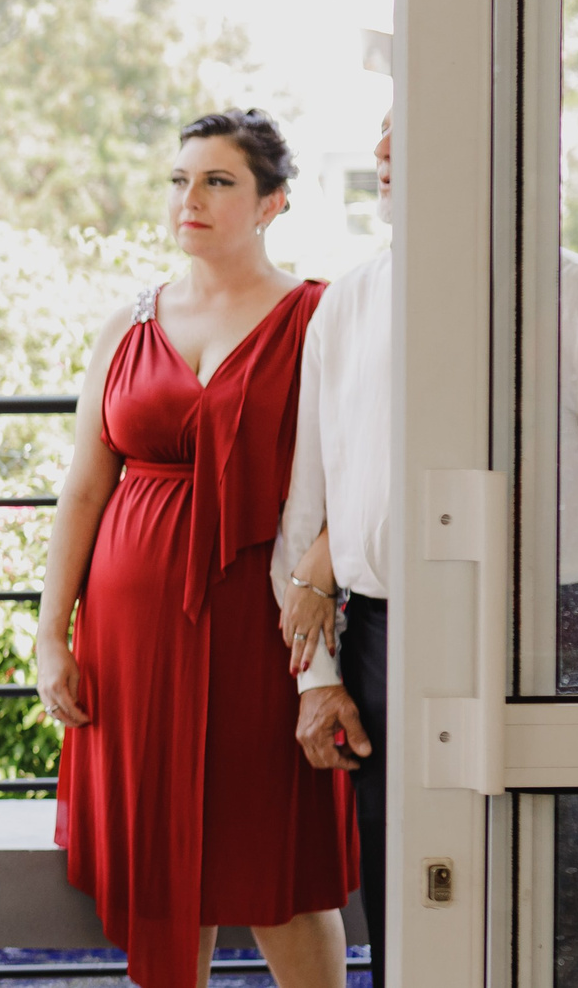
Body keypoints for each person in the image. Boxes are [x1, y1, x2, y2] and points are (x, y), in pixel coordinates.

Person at [36, 109, 352, 988]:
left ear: (272, 203)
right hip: (132, 636)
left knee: (276, 862)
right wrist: (50, 633)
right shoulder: (124, 324)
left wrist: (315, 575)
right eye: (181, 180)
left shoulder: (317, 318)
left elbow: (363, 475)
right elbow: (86, 487)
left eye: (218, 181)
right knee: (160, 860)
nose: (192, 198)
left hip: (265, 624)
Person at [273, 111, 398, 987]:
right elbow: (305, 503)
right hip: (385, 637)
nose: (384, 154)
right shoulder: (347, 303)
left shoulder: (558, 290)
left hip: (546, 630)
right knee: (404, 885)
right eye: (383, 137)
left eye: (410, 132)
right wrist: (318, 681)